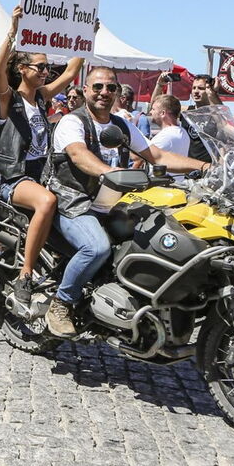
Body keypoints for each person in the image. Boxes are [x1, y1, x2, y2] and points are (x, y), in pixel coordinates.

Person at [48, 67, 208, 336]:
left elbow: (156, 155)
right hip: (75, 201)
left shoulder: (121, 125)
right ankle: (61, 302)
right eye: (97, 87)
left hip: (113, 203)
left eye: (111, 88)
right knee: (96, 248)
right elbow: (77, 155)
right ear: (85, 89)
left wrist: (205, 166)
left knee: (162, 234)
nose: (104, 93)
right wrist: (110, 172)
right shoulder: (72, 122)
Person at [0, 4, 81, 324]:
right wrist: (12, 30)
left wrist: (85, 37)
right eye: (40, 66)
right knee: (48, 201)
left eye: (46, 67)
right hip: (15, 180)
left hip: (42, 177)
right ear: (24, 69)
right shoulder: (8, 99)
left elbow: (70, 73)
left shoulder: (40, 98)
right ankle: (25, 276)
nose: (46, 71)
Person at [153, 73, 222, 162]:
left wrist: (213, 93)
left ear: (208, 90)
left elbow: (223, 119)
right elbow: (156, 108)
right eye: (194, 88)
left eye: (201, 88)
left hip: (208, 169)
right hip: (187, 167)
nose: (196, 91)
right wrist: (159, 85)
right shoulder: (187, 111)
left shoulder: (215, 113)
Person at [133, 95, 189, 179]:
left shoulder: (166, 136)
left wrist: (131, 127)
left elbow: (137, 159)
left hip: (160, 188)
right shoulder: (182, 132)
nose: (150, 112)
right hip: (174, 186)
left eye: (153, 109)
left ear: (163, 113)